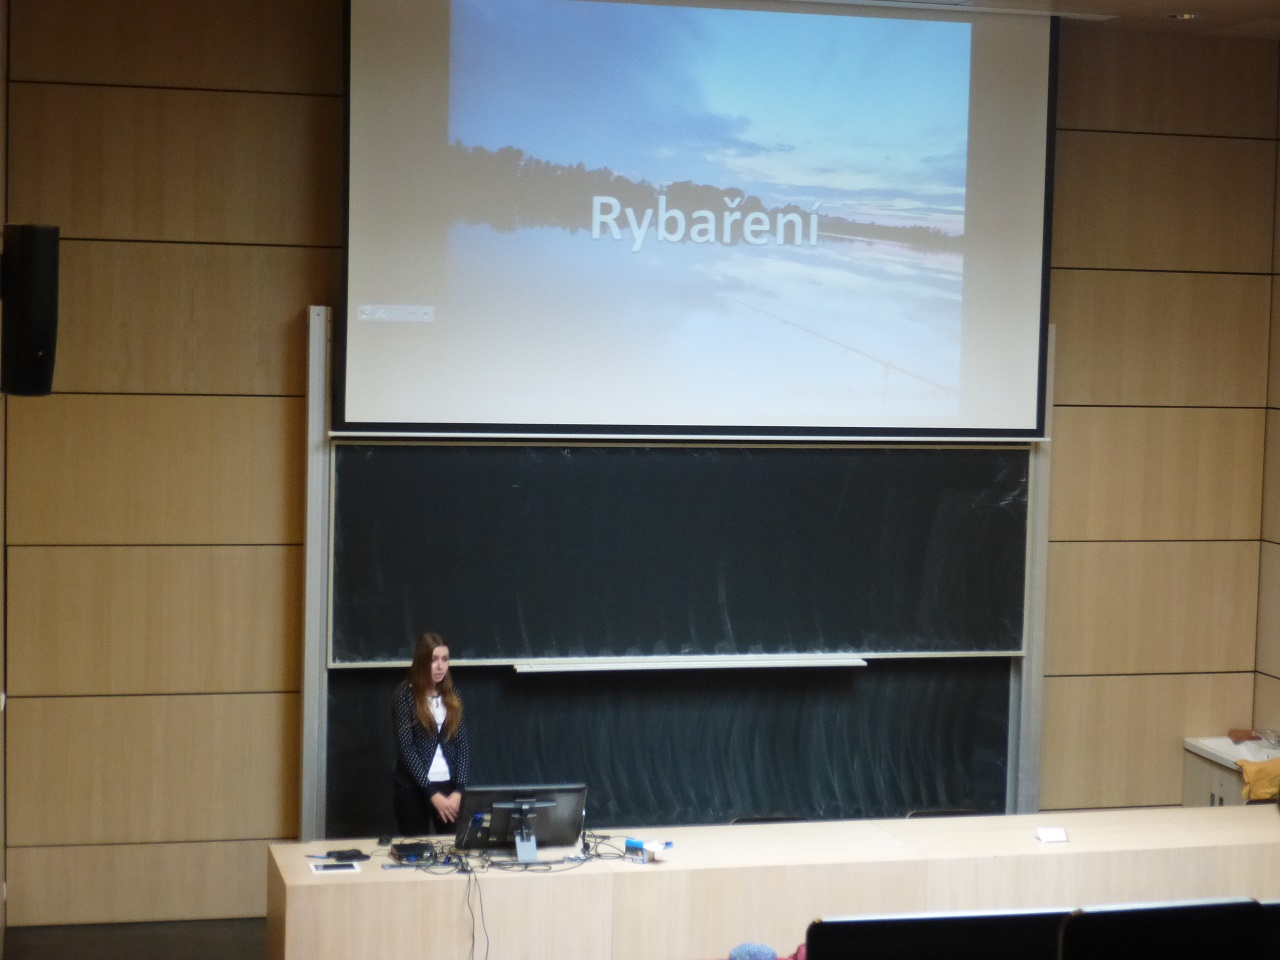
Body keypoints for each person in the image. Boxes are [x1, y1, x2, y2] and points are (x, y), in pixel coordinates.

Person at [392, 631, 471, 836]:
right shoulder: (405, 695)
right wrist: (432, 793)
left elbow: (462, 744)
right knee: (418, 848)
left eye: (445, 659)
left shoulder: (452, 694)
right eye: (434, 660)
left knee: (452, 847)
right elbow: (407, 749)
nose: (440, 666)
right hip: (414, 789)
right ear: (422, 661)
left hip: (449, 787)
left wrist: (458, 790)